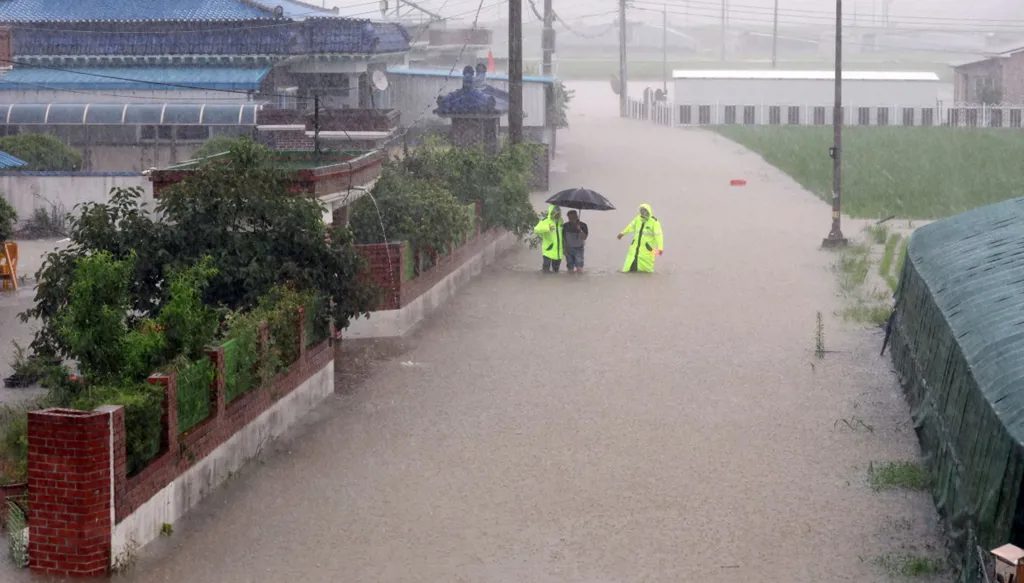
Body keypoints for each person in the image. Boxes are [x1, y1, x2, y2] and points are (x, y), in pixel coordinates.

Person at [617, 203, 663, 273]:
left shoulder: (654, 222)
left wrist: (660, 248)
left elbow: (659, 236)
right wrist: (622, 233)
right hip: (634, 248)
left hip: (647, 250)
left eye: (645, 211)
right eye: (642, 211)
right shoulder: (638, 219)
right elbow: (630, 226)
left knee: (646, 270)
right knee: (628, 267)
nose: (643, 213)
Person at [534, 204, 564, 273]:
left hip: (558, 250)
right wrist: (547, 228)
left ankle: (554, 282)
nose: (557, 216)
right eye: (556, 214)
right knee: (546, 269)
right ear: (551, 213)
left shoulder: (561, 221)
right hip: (548, 248)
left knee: (556, 270)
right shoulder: (545, 221)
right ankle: (544, 281)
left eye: (559, 214)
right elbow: (536, 229)